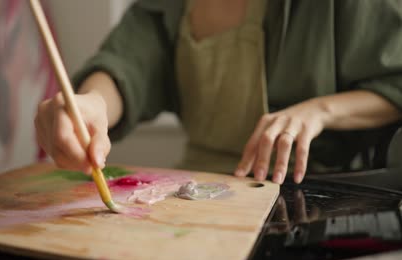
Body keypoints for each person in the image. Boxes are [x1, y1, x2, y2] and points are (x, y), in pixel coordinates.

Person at [35, 0, 402, 185]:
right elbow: (126, 64)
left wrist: (321, 111)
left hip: (314, 197)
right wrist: (89, 105)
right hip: (197, 189)